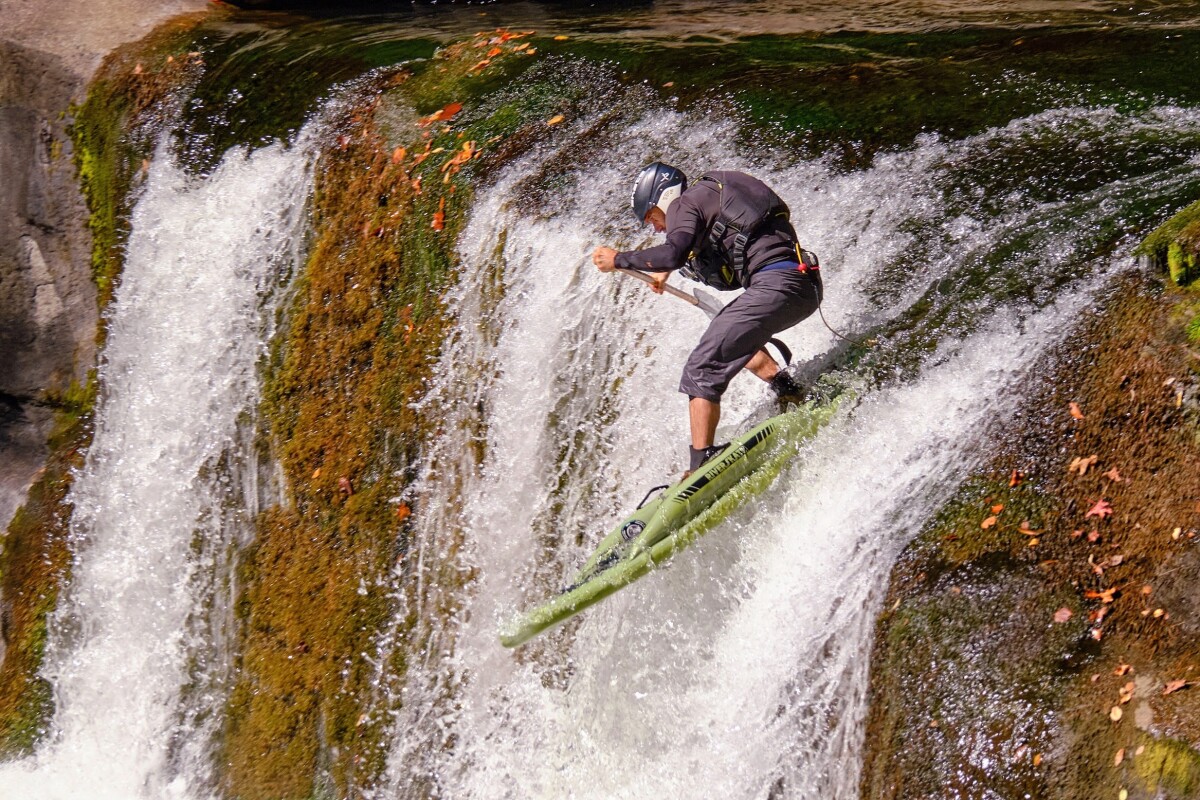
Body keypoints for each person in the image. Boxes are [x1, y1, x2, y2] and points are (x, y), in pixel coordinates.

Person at [591, 162, 823, 474]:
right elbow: (690, 245)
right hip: (802, 285)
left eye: (651, 217)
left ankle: (702, 460)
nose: (657, 227)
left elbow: (675, 250)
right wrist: (664, 269)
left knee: (701, 366)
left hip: (777, 286)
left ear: (663, 197)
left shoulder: (683, 204)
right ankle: (789, 389)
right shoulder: (707, 195)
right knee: (728, 336)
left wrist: (619, 259)